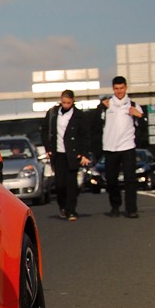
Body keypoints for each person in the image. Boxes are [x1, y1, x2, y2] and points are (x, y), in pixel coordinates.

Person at [96, 75, 147, 219]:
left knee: (130, 179)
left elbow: (143, 128)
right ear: (113, 89)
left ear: (126, 88)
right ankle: (115, 207)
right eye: (116, 89)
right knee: (111, 180)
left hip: (128, 147)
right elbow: (95, 125)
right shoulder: (106, 105)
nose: (119, 91)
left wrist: (139, 116)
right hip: (110, 147)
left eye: (122, 88)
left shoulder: (133, 104)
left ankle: (131, 209)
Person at [42, 89, 93, 221]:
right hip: (57, 153)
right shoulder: (53, 113)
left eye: (69, 103)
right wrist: (48, 148)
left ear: (73, 101)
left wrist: (84, 154)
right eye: (64, 102)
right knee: (59, 184)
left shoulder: (79, 116)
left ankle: (71, 210)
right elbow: (45, 131)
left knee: (71, 184)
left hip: (73, 154)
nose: (66, 105)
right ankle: (63, 206)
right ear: (61, 100)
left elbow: (85, 135)